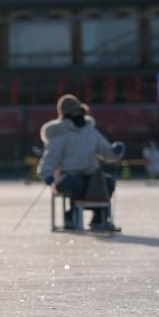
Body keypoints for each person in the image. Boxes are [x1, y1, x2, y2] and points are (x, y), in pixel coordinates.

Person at [38, 94, 125, 230]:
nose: (78, 115)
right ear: (67, 115)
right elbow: (51, 157)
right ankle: (71, 216)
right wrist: (47, 174)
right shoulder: (60, 133)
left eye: (80, 111)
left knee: (107, 182)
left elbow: (105, 150)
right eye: (75, 112)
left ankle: (100, 217)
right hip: (66, 177)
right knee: (76, 183)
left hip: (90, 175)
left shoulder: (90, 131)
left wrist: (114, 152)